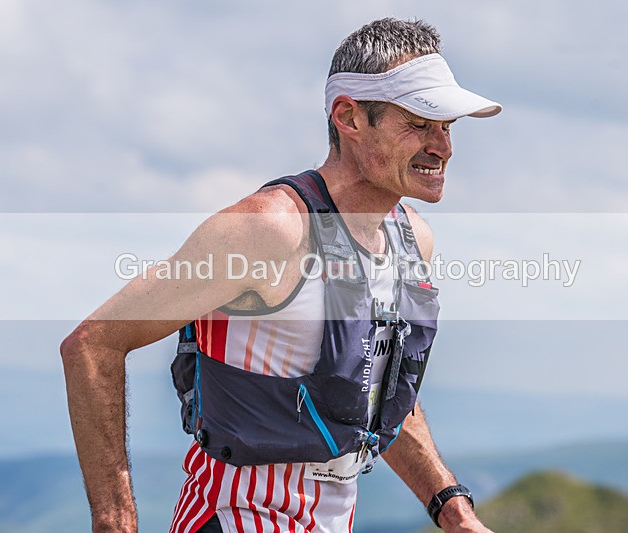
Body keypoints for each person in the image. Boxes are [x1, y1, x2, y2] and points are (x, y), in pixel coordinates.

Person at [61, 17, 501, 533]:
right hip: (232, 517)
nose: (443, 147)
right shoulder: (270, 229)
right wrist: (115, 523)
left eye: (447, 127)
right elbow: (92, 345)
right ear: (349, 117)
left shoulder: (411, 239)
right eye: (419, 124)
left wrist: (453, 510)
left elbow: (368, 393)